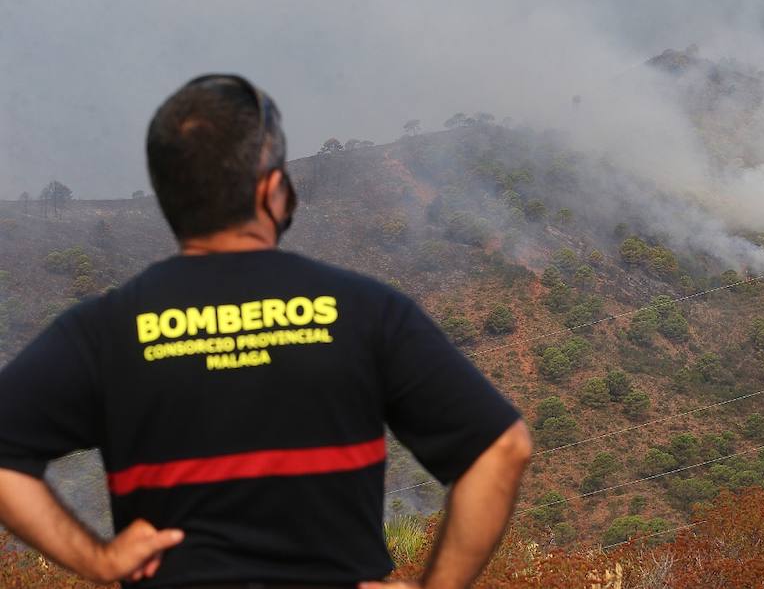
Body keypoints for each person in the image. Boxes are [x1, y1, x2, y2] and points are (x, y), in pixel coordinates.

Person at [0, 74, 531, 588]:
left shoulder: (104, 330)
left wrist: (95, 559)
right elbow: (502, 449)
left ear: (167, 198)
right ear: (273, 190)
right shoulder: (366, 310)